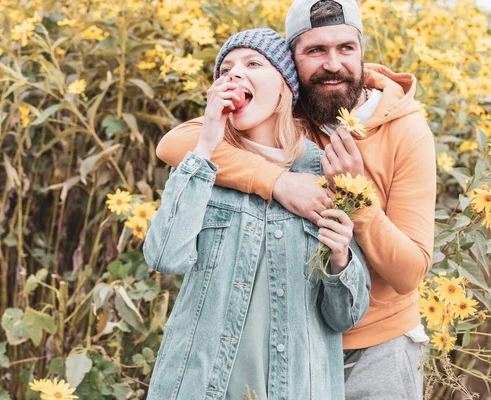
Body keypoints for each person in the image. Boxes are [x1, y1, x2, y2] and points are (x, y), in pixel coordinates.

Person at [155, 1, 436, 399]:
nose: (332, 64)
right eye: (315, 51)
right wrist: (279, 182)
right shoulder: (281, 107)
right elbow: (175, 142)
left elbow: (409, 274)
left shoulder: (408, 131)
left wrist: (358, 200)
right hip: (290, 341)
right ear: (292, 62)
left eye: (345, 48)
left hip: (381, 346)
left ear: (361, 52)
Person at [143, 28, 370, 400]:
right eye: (225, 69)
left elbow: (345, 316)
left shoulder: (323, 171)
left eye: (253, 64)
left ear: (285, 86)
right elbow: (164, 256)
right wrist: (207, 141)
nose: (234, 74)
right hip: (200, 386)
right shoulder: (204, 165)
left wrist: (340, 258)